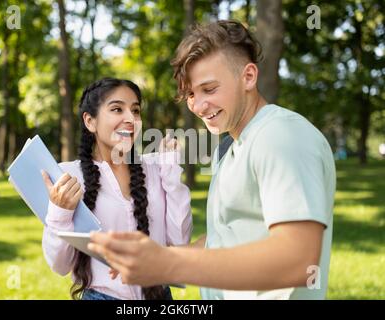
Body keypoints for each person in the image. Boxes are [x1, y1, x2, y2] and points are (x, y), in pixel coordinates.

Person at [88, 20, 337, 300]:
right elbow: (226, 237)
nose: (198, 105)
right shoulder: (232, 147)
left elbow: (298, 260)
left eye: (209, 89)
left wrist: (169, 263)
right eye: (191, 94)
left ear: (249, 77)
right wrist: (157, 259)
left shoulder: (280, 136)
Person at [41, 77, 192, 300]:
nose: (130, 119)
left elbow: (180, 241)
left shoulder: (157, 167)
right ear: (90, 121)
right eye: (117, 109)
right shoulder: (68, 177)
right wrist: (59, 211)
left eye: (136, 111)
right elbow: (60, 265)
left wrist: (171, 173)